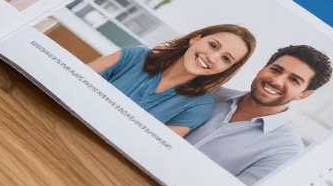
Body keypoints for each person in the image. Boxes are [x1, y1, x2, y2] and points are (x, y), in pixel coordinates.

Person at [187, 44, 333, 186]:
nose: (276, 80)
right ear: (261, 70)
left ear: (304, 95)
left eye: (294, 80)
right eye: (276, 70)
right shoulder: (208, 93)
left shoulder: (286, 151)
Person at [88, 25, 257, 136]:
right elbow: (74, 79)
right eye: (213, 45)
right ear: (195, 39)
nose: (212, 58)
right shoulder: (135, 56)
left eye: (226, 59)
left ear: (227, 69)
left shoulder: (199, 108)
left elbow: (147, 149)